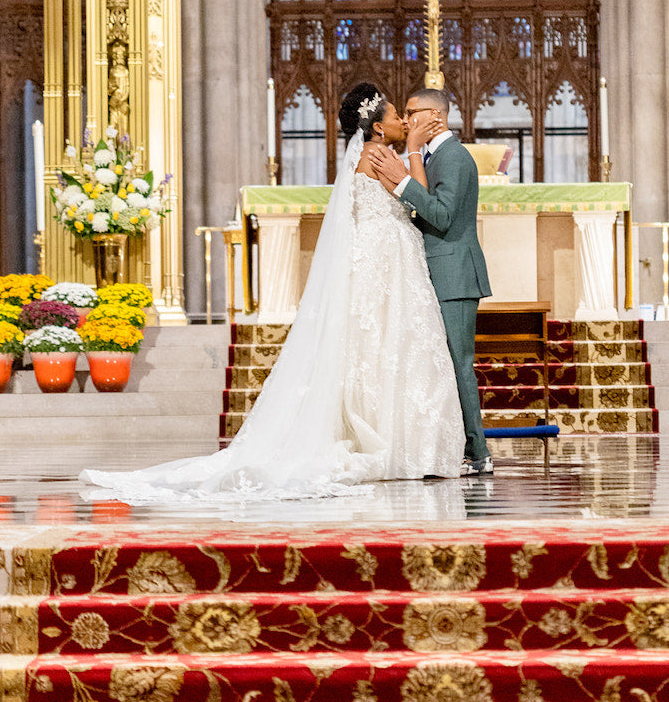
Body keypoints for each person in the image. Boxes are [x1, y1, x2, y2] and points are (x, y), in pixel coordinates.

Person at [80, 82, 464, 506]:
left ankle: (399, 438)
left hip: (388, 257)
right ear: (375, 128)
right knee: (388, 345)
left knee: (388, 346)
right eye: (395, 116)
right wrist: (413, 146)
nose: (402, 121)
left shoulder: (372, 155)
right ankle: (399, 442)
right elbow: (422, 199)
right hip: (386, 259)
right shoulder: (378, 157)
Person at [370, 86, 493, 476]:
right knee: (442, 364)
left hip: (454, 274)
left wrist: (401, 182)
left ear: (434, 116)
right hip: (436, 272)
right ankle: (451, 445)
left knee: (459, 363)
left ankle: (478, 453)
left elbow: (440, 216)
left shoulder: (454, 156)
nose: (405, 120)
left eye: (411, 111)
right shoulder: (431, 155)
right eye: (402, 113)